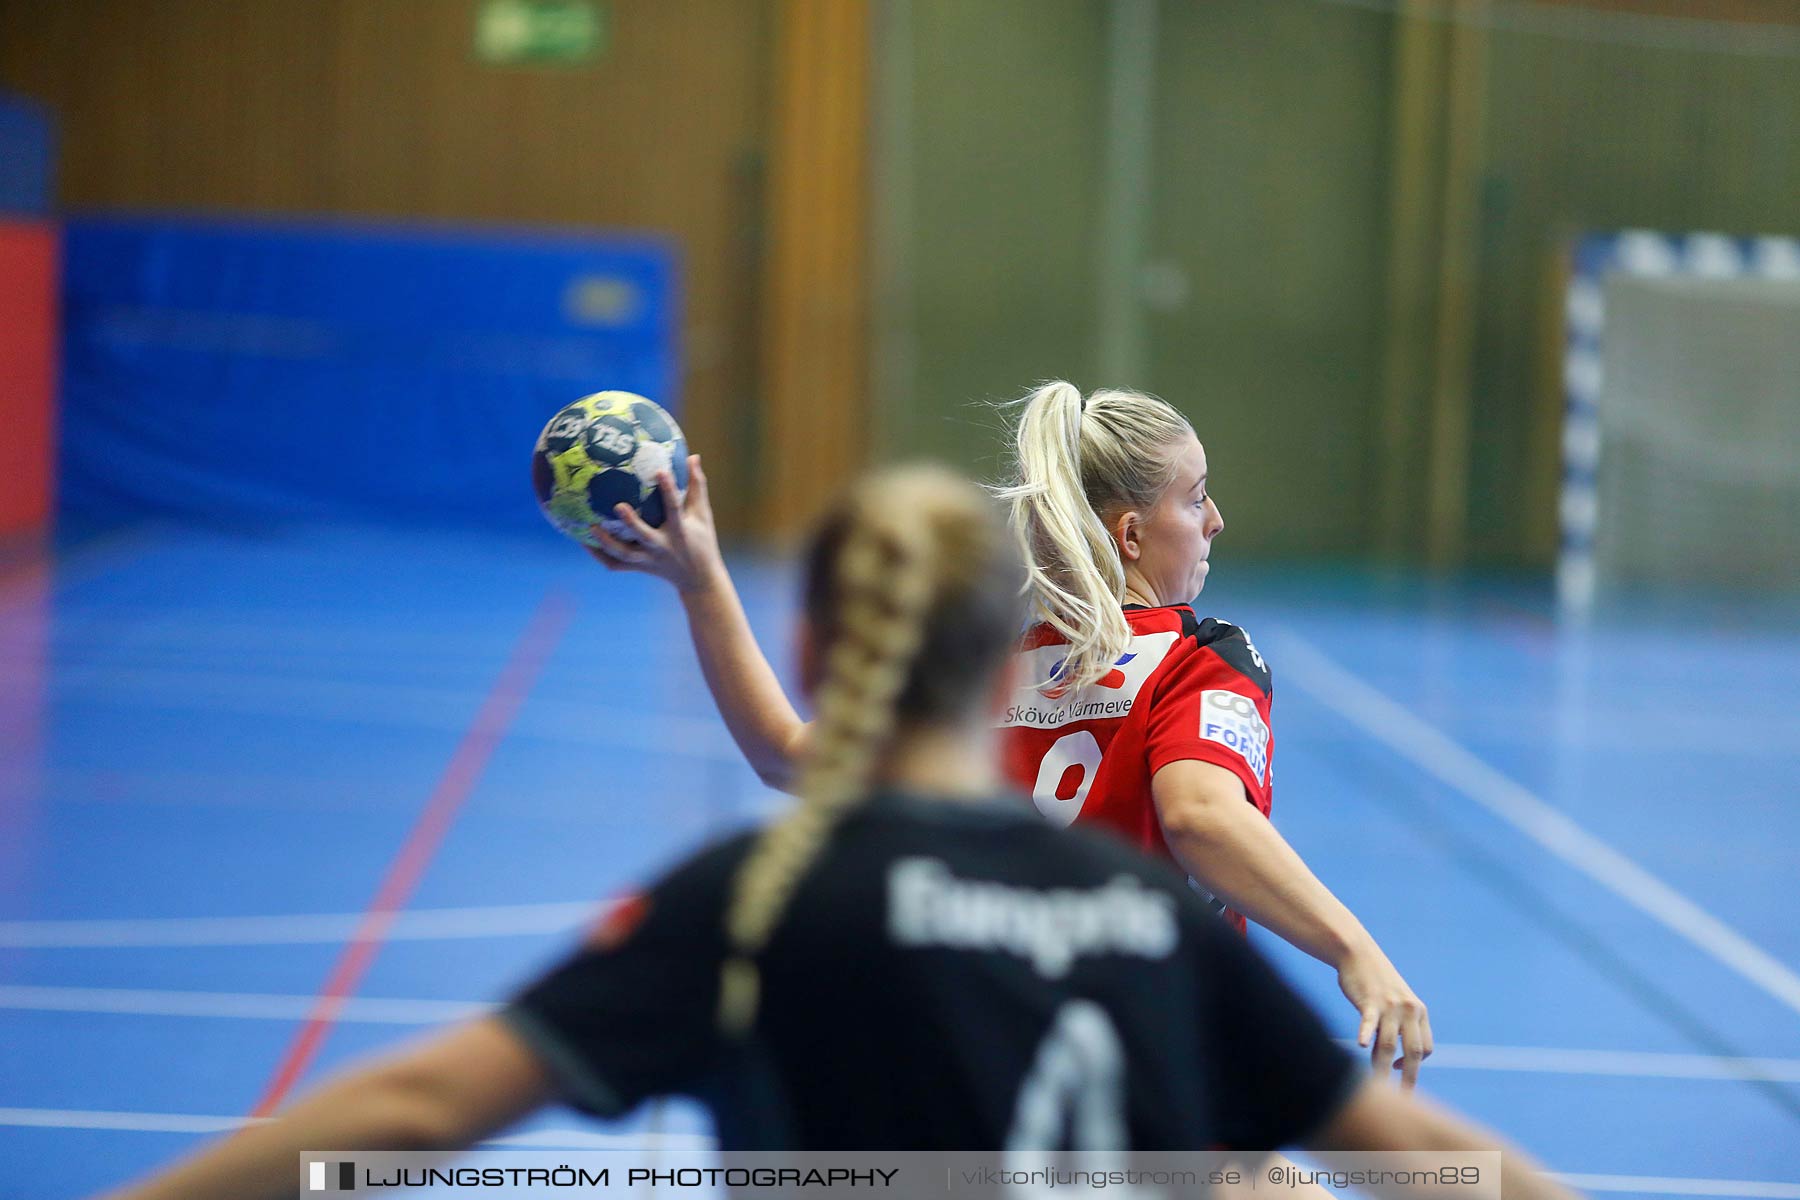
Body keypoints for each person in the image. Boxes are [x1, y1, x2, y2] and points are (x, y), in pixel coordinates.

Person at [105, 467, 1570, 1200]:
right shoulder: (1148, 927)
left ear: (823, 646)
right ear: (1008, 640)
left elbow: (414, 1113)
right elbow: (1426, 1159)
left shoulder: (759, 897)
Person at [588, 384, 1431, 1087]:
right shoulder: (1200, 660)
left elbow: (781, 751)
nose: (1215, 519)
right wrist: (1353, 949)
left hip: (979, 1066)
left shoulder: (986, 672)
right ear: (1132, 533)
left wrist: (700, 581)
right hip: (1133, 1076)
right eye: (1195, 495)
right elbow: (1201, 818)